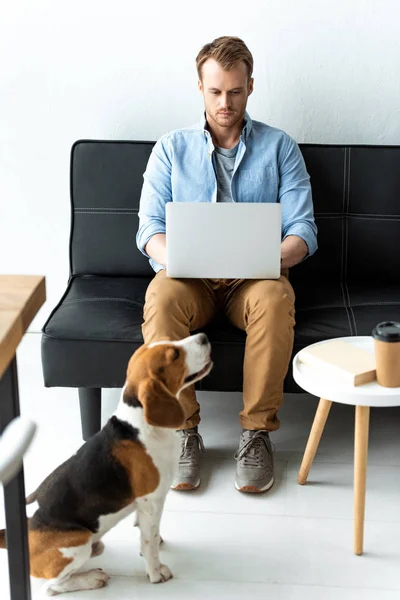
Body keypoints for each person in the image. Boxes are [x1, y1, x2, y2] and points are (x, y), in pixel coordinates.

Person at [136, 36, 317, 494]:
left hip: (253, 281)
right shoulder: (170, 149)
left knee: (277, 297)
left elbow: (304, 233)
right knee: (161, 295)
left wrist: (261, 256)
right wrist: (173, 255)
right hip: (189, 279)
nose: (225, 103)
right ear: (200, 87)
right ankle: (183, 432)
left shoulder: (280, 148)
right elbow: (148, 230)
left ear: (250, 87)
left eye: (235, 92)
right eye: (215, 92)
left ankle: (256, 434)